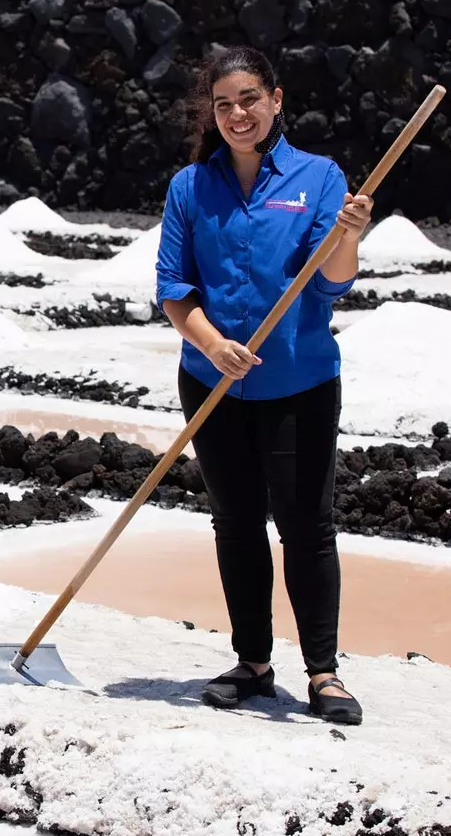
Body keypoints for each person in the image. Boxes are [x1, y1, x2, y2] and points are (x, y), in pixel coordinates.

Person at [154, 46, 371, 726]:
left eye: (249, 99)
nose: (237, 114)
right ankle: (252, 662)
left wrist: (348, 236)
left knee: (306, 528)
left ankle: (324, 672)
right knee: (237, 523)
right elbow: (173, 288)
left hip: (299, 382)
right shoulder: (191, 187)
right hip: (212, 383)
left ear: (277, 100)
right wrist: (212, 344)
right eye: (224, 104)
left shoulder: (319, 178)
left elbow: (333, 280)